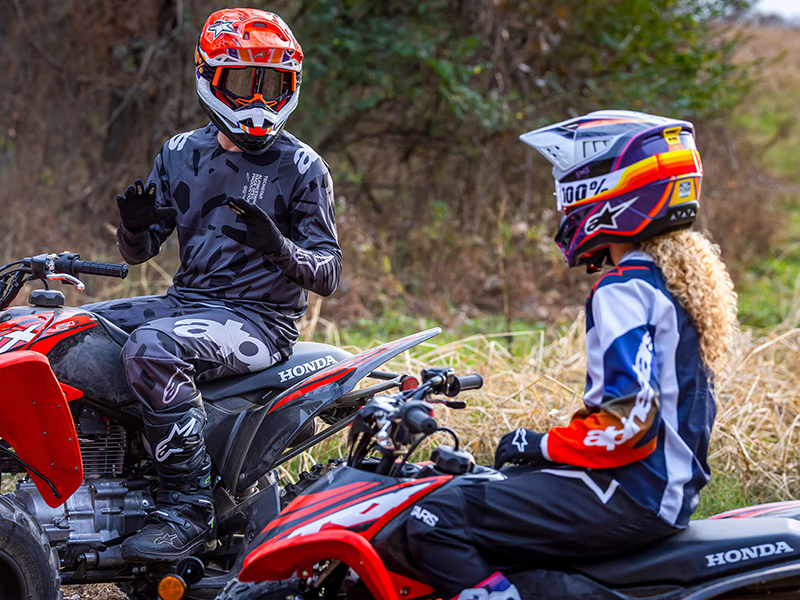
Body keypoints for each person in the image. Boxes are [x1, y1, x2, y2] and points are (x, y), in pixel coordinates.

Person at [405, 111, 738, 600]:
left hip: (632, 492)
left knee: (431, 517)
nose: (563, 203)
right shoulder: (667, 279)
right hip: (658, 490)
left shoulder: (624, 291)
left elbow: (629, 423)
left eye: (569, 188)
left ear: (605, 192)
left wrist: (541, 445)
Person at [82, 8, 341, 562]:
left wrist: (279, 249)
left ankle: (189, 506)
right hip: (189, 304)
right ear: (210, 78)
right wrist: (132, 226)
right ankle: (108, 477)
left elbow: (329, 273)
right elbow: (140, 252)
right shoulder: (181, 153)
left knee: (153, 347)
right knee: (73, 331)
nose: (258, 98)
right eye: (243, 81)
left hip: (261, 321)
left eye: (271, 84)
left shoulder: (302, 166)